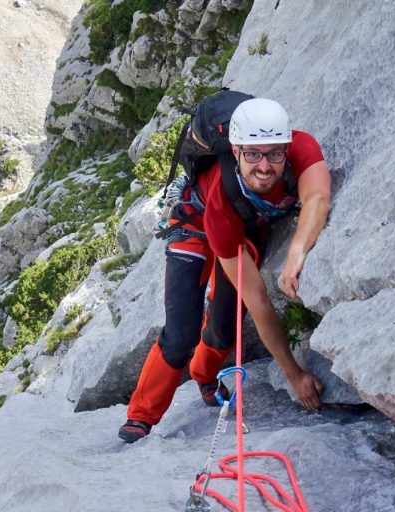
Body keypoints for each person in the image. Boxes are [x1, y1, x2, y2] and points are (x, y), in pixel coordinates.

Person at [118, 98, 331, 443]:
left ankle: (204, 376)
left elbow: (317, 198)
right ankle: (141, 417)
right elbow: (260, 300)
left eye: (274, 154)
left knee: (224, 325)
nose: (264, 166)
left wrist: (296, 251)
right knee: (181, 332)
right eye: (253, 155)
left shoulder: (301, 146)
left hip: (244, 227)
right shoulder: (222, 197)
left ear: (286, 148)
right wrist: (293, 374)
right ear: (236, 151)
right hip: (198, 222)